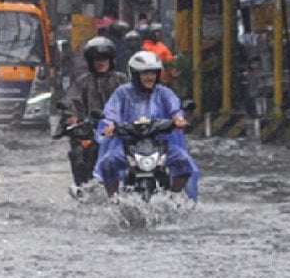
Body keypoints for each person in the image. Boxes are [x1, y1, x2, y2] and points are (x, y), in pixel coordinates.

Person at [94, 50, 200, 200]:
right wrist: (109, 125)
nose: (150, 77)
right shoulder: (122, 93)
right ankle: (114, 200)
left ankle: (175, 197)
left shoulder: (164, 93)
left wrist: (178, 119)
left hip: (160, 143)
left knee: (184, 162)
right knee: (108, 164)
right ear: (135, 75)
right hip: (129, 144)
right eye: (145, 74)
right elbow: (111, 111)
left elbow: (175, 108)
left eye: (152, 73)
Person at [61, 36, 129, 193]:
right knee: (79, 152)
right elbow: (71, 102)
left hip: (120, 131)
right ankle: (83, 188)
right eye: (96, 59)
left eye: (104, 58)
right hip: (91, 132)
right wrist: (72, 117)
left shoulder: (122, 80)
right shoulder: (82, 82)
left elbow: (135, 101)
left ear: (110, 59)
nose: (100, 62)